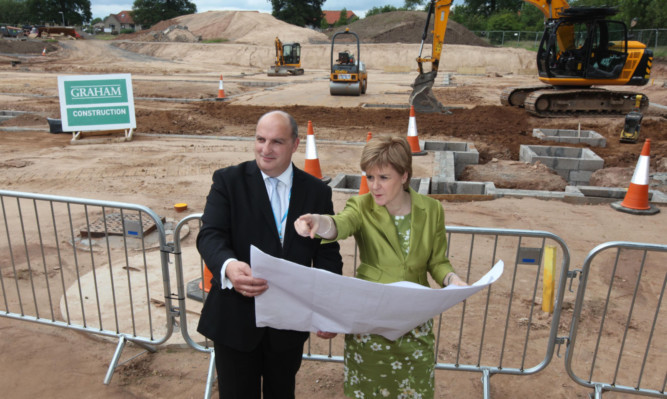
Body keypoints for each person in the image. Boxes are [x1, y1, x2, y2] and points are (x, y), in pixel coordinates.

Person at [294, 135, 467, 398]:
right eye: (370, 177)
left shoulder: (432, 210)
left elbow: (437, 261)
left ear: (405, 175)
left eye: (384, 177)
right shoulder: (361, 206)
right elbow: (341, 223)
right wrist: (318, 222)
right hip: (370, 325)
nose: (374, 186)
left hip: (414, 323)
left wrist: (452, 279)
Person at [196, 110, 343, 399]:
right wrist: (228, 266)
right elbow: (210, 234)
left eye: (276, 141)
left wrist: (328, 308)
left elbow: (327, 253)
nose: (266, 149)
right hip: (236, 320)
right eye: (260, 139)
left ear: (295, 144)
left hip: (287, 325)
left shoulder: (316, 192)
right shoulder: (228, 181)